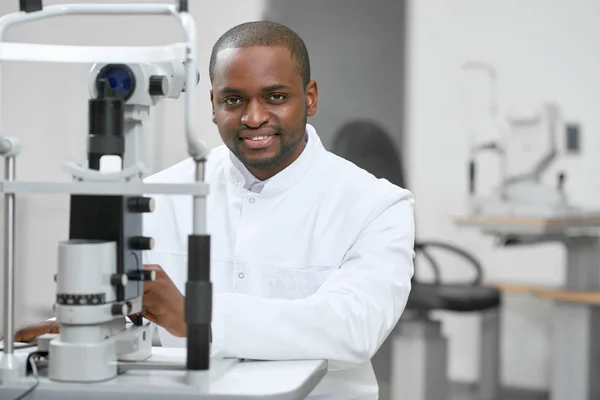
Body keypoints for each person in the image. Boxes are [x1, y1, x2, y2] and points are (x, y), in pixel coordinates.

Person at [9, 21, 415, 399]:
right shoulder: (159, 193)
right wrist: (91, 327)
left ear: (309, 97)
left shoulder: (377, 205)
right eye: (234, 100)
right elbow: (139, 319)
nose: (254, 118)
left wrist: (198, 318)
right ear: (213, 103)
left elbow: (353, 327)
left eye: (276, 97)